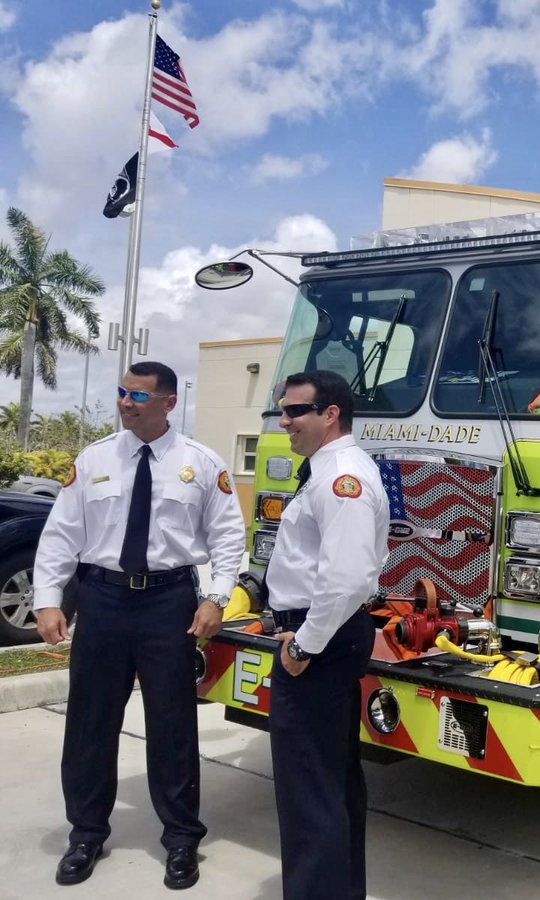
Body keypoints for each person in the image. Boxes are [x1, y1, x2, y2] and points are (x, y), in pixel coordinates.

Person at [33, 361, 245, 889]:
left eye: (139, 395)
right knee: (90, 722)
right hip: (102, 600)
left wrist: (218, 598)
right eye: (123, 392)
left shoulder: (201, 463)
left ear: (169, 402)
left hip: (168, 604)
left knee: (172, 724)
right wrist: (47, 599)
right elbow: (61, 534)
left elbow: (226, 537)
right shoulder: (95, 458)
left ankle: (180, 840)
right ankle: (85, 833)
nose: (126, 402)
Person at [266, 370, 388, 900]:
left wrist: (304, 645)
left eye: (295, 411)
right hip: (324, 634)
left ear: (330, 412)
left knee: (309, 786)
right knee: (329, 781)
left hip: (320, 640)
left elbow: (346, 578)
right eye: (283, 410)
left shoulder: (342, 476)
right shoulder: (327, 471)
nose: (285, 420)